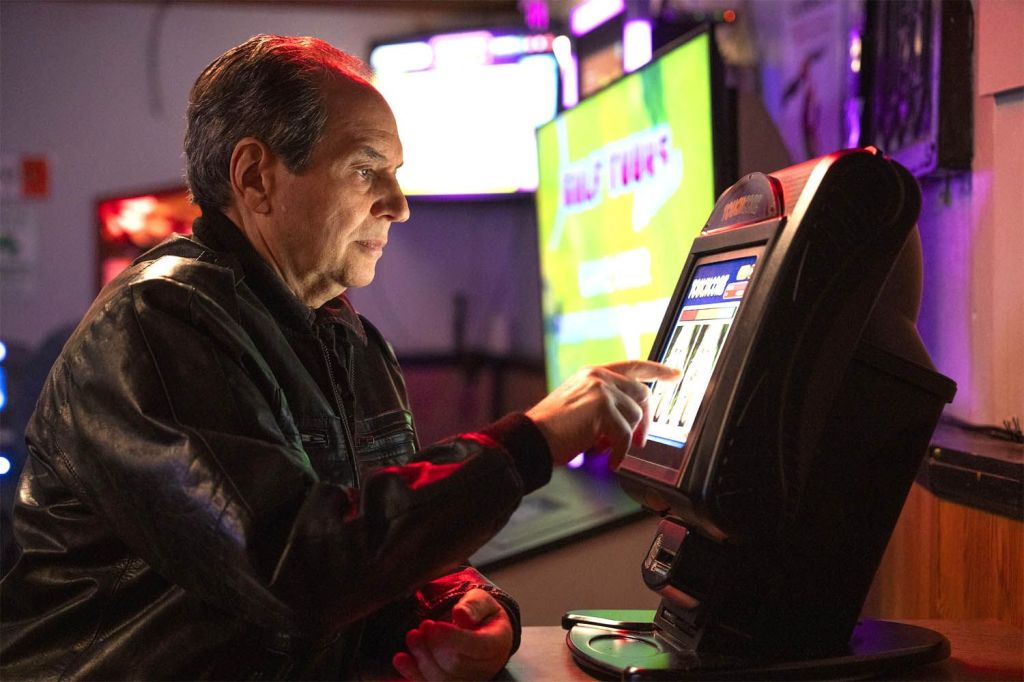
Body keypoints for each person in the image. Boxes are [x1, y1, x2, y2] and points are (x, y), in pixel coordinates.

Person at [0, 35, 678, 681]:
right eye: (365, 170)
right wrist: (534, 440)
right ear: (256, 178)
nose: (399, 206)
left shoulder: (350, 340)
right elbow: (294, 568)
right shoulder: (155, 323)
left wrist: (472, 608)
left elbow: (375, 544)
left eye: (396, 175)